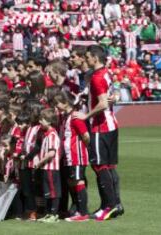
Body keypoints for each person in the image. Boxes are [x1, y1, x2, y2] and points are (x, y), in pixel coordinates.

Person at [73, 45, 123, 221]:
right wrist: (115, 95)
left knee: (100, 167)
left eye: (88, 56)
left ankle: (109, 206)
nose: (86, 59)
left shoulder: (97, 77)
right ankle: (114, 204)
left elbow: (102, 103)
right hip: (111, 124)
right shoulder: (106, 73)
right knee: (108, 166)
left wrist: (85, 115)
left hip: (100, 127)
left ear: (95, 58)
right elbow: (114, 90)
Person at [53, 90, 90, 222]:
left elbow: (86, 136)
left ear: (65, 102)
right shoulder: (65, 117)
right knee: (71, 182)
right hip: (68, 156)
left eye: (57, 103)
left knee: (78, 181)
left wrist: (81, 149)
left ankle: (83, 212)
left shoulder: (75, 117)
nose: (56, 106)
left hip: (76, 155)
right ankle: (76, 210)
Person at [36, 108, 61, 223]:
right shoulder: (46, 134)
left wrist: (40, 162)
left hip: (51, 168)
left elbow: (51, 153)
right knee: (48, 191)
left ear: (49, 121)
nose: (40, 121)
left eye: (42, 119)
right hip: (46, 168)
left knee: (53, 191)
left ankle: (54, 214)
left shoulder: (52, 135)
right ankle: (49, 213)